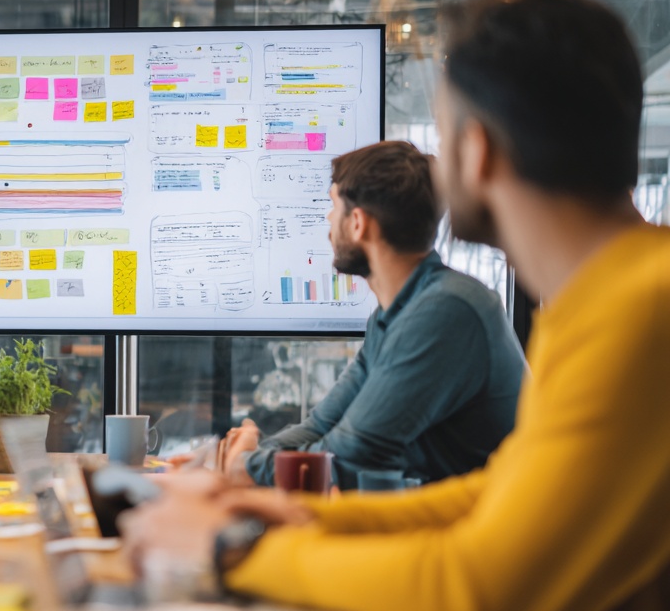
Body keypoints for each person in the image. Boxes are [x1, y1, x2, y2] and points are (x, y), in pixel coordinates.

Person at [123, 0, 670, 611]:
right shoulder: (613, 296)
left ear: (477, 152)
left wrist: (231, 550)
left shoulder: (640, 315)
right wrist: (287, 521)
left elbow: (484, 593)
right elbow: (497, 498)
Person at [195, 140, 525, 490]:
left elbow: (353, 454)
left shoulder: (447, 311)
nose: (327, 219)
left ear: (357, 223)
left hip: (488, 527)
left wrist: (247, 463)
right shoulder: (394, 315)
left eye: (333, 206)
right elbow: (322, 425)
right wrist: (248, 456)